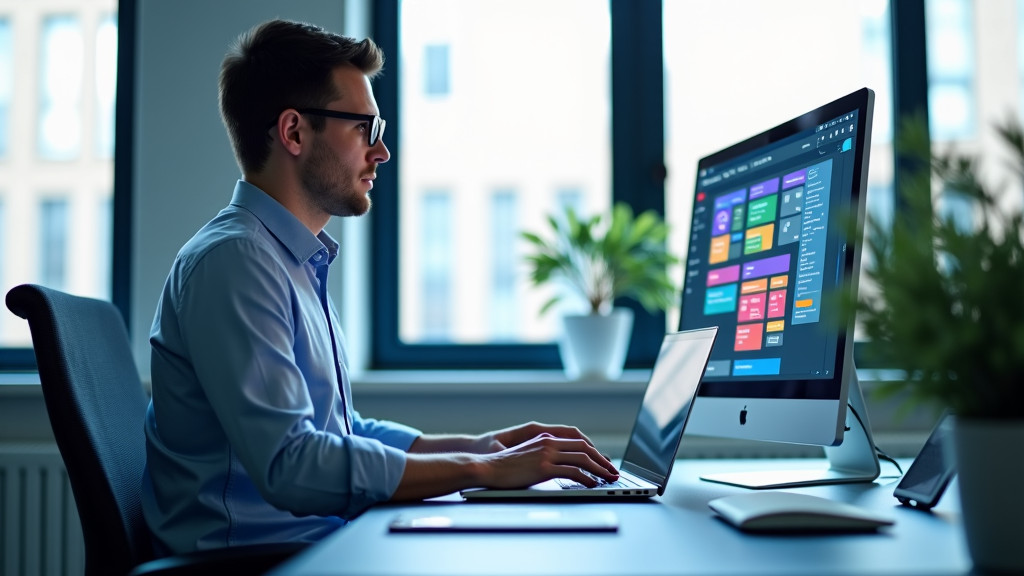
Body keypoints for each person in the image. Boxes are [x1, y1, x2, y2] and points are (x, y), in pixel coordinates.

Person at [141, 18, 618, 556]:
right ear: (294, 132)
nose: (382, 152)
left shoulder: (288, 260)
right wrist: (483, 468)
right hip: (254, 562)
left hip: (312, 546)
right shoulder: (235, 261)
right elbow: (290, 465)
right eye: (364, 128)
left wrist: (480, 448)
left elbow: (340, 433)